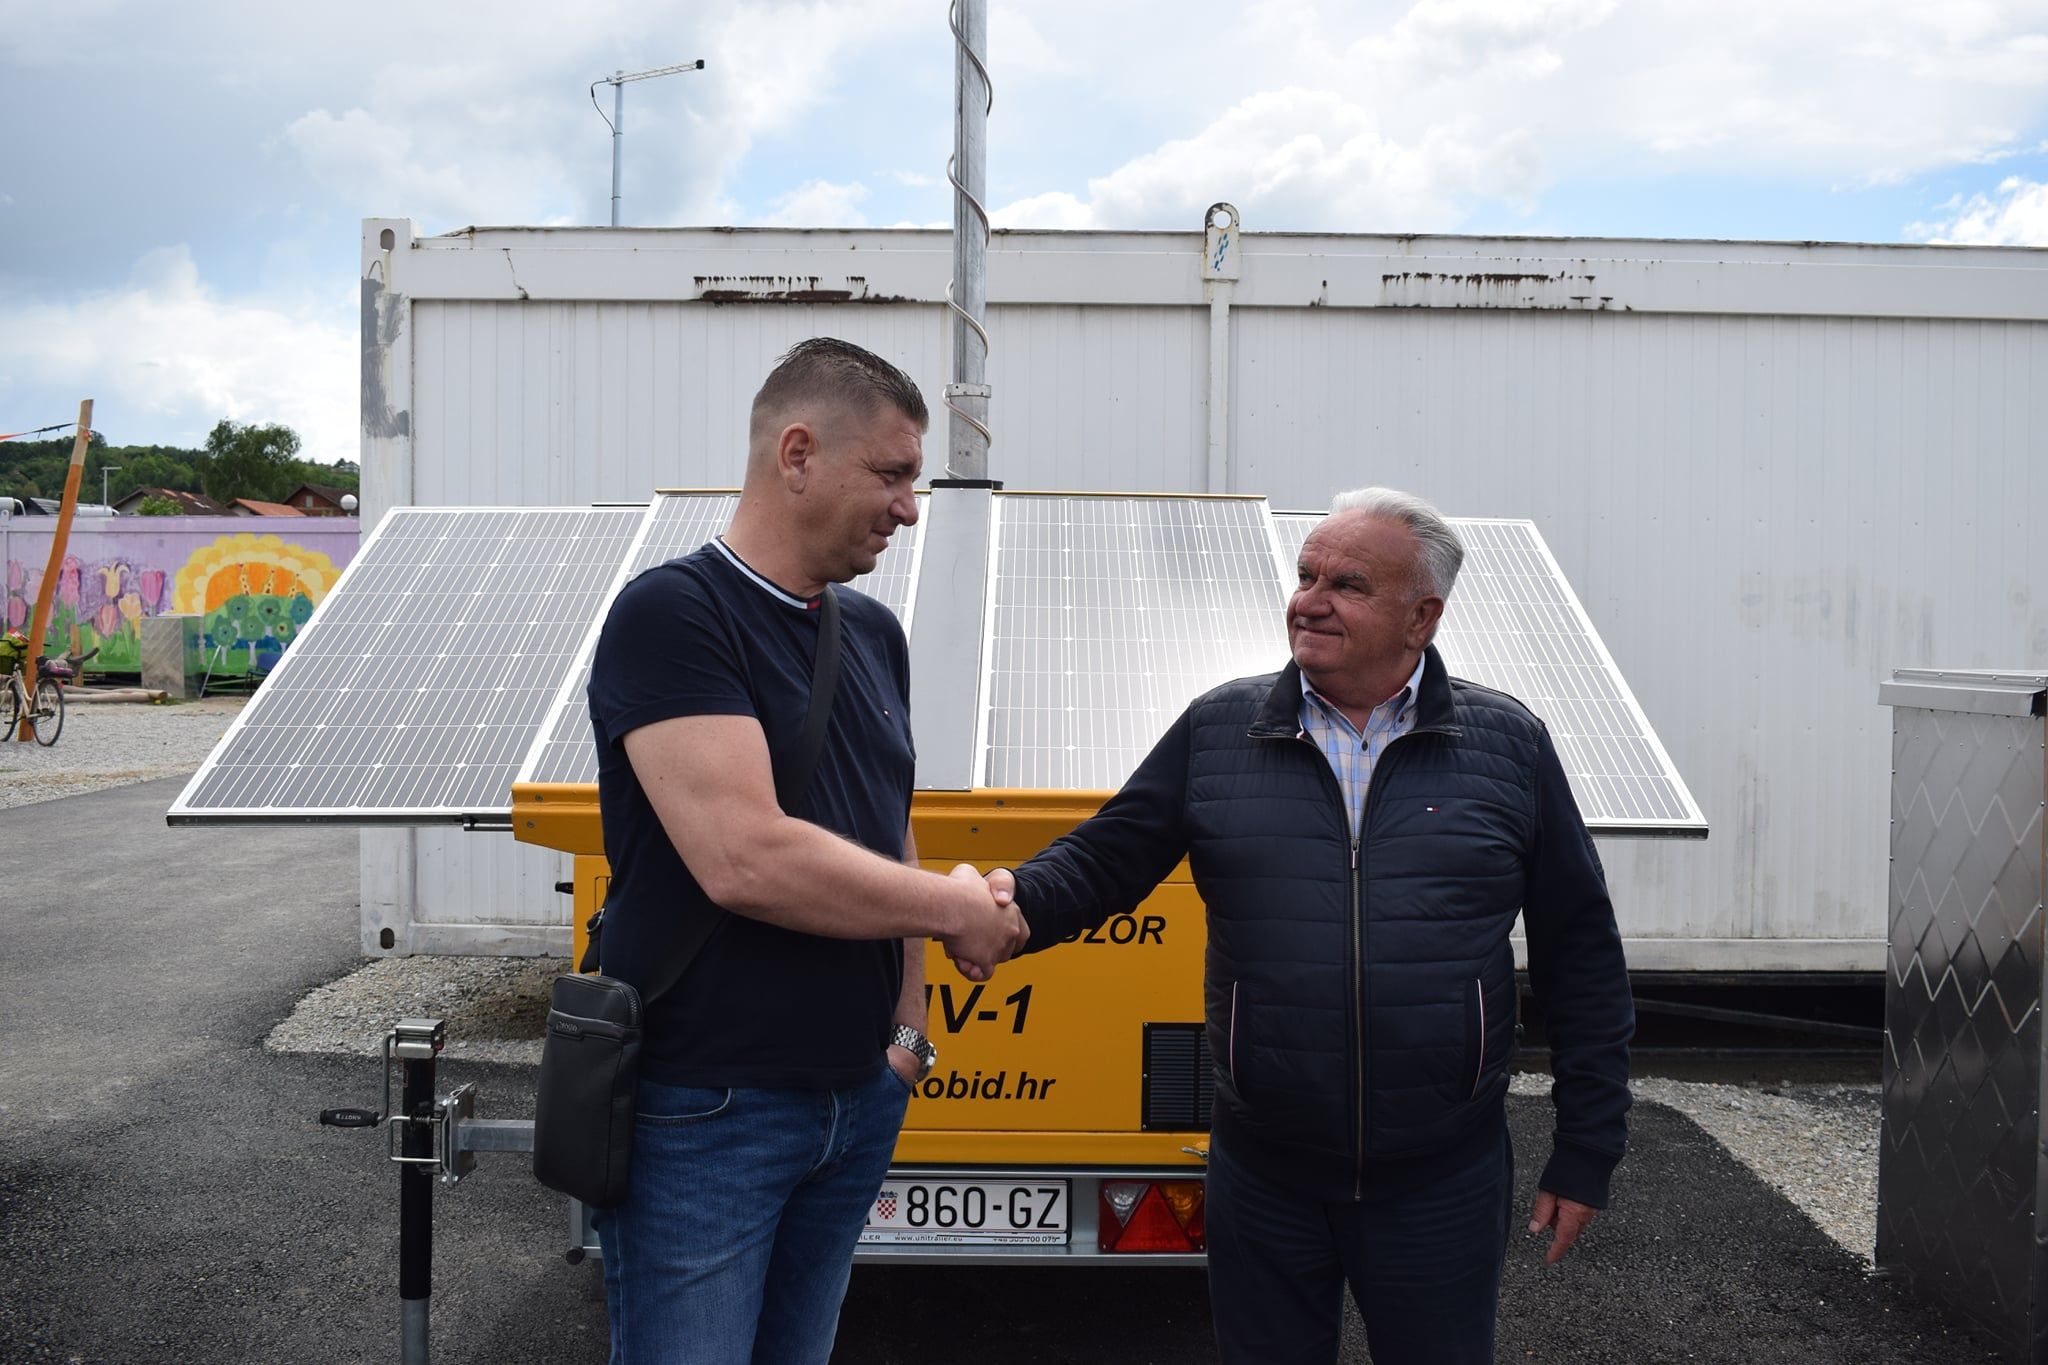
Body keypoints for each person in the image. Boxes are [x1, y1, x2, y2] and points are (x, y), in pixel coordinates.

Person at [986, 487, 1632, 1365]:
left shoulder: (1507, 747)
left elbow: (1580, 953)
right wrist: (1008, 902)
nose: (1310, 601)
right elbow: (1104, 859)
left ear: (1422, 617)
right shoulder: (1222, 730)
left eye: (1347, 584)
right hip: (1266, 1176)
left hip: (1441, 1178)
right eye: (1306, 576)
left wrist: (1587, 1148)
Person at [585, 337, 1028, 1365]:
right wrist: (956, 908)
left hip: (857, 1095)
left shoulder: (871, 634)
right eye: (892, 474)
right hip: (710, 1110)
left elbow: (887, 822)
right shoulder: (673, 615)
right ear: (797, 455)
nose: (909, 508)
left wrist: (907, 1033)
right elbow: (745, 857)